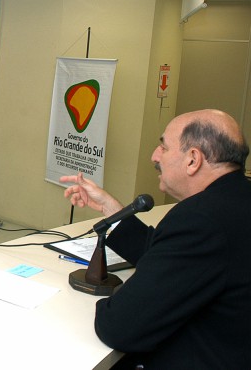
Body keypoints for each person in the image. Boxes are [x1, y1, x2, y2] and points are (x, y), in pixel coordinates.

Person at [60, 109, 250, 369]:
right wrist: (112, 210)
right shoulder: (236, 202)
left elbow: (120, 326)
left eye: (163, 146)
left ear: (193, 160)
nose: (155, 156)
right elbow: (171, 255)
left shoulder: (200, 219)